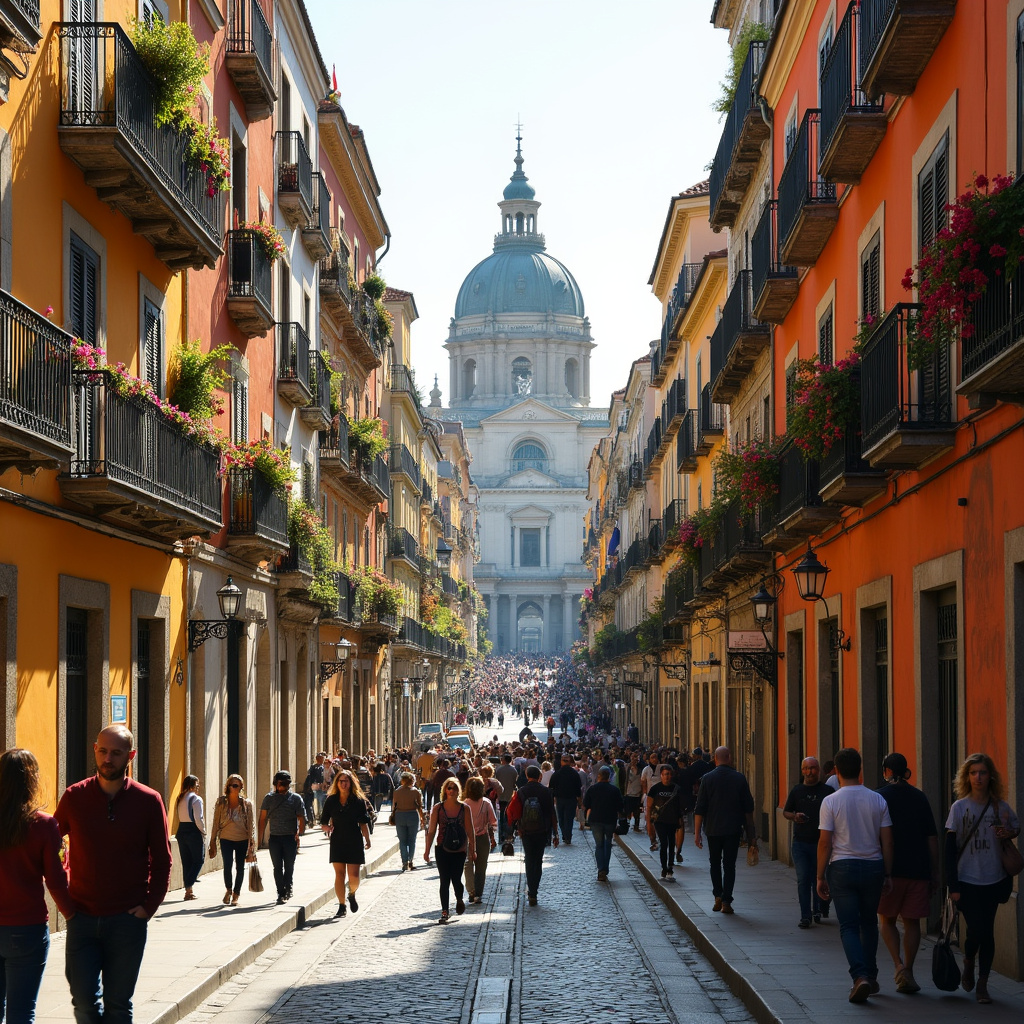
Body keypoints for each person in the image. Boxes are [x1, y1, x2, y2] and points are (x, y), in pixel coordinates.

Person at [55, 725, 171, 1024]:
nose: (108, 759)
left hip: (127, 921)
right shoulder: (74, 797)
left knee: (119, 1005)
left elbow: (162, 860)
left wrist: (148, 907)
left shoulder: (148, 800)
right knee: (83, 1002)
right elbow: (49, 845)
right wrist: (66, 903)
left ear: (130, 756)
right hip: (81, 918)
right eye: (103, 751)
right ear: (95, 749)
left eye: (116, 753)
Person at [0, 748, 76, 1024]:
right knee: (21, 1012)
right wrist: (72, 915)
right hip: (26, 928)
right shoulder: (43, 825)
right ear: (31, 779)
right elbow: (56, 880)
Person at [815, 747, 893, 1004]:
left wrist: (819, 876)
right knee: (869, 922)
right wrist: (888, 873)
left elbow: (825, 842)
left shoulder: (831, 801)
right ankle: (870, 975)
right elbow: (887, 840)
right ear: (860, 770)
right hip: (872, 866)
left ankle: (859, 976)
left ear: (836, 772)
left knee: (848, 926)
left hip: (842, 867)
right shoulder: (877, 799)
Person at [945, 752, 1021, 1004]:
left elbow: (1015, 827)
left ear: (990, 776)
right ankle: (968, 961)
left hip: (994, 879)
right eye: (973, 772)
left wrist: (1008, 831)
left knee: (986, 932)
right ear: (967, 777)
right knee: (976, 931)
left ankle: (982, 984)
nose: (978, 777)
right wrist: (952, 885)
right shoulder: (959, 808)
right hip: (967, 880)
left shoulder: (1000, 807)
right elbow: (949, 849)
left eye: (983, 772)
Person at [875, 752, 938, 994]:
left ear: (885, 771)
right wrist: (935, 871)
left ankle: (898, 965)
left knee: (887, 920)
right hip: (918, 869)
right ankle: (909, 969)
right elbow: (931, 837)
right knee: (913, 922)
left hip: (890, 870)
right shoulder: (920, 797)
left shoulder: (879, 796)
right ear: (906, 770)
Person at [693, 746, 756, 914]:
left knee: (714, 863)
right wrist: (752, 837)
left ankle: (717, 895)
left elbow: (699, 808)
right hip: (732, 829)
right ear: (729, 757)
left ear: (715, 759)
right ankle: (727, 900)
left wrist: (697, 833)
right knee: (729, 865)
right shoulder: (739, 778)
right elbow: (748, 808)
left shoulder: (707, 779)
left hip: (713, 829)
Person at [782, 756, 832, 928]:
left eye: (813, 768)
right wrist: (794, 816)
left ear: (819, 770)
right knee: (803, 879)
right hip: (801, 843)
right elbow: (786, 812)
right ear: (802, 770)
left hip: (822, 843)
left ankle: (819, 908)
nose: (810, 772)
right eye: (807, 768)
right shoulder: (797, 791)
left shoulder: (828, 791)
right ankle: (805, 915)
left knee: (820, 878)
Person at [423, 778, 475, 923]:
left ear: (459, 790)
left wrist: (473, 849)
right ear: (445, 790)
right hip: (442, 848)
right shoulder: (438, 808)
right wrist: (427, 850)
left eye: (454, 788)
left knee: (456, 879)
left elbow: (470, 831)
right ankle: (444, 911)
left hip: (459, 850)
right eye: (449, 788)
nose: (452, 791)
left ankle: (459, 898)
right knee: (444, 880)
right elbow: (432, 830)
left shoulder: (465, 808)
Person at [320, 769, 371, 917]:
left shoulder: (358, 801)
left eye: (346, 781)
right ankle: (341, 905)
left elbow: (363, 823)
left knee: (354, 876)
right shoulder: (331, 800)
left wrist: (367, 839)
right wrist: (326, 827)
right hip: (337, 840)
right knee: (339, 875)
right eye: (341, 781)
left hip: (354, 839)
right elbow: (323, 820)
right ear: (337, 783)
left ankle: (352, 893)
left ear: (351, 783)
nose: (343, 784)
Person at [509, 764, 558, 905]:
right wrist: (555, 833)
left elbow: (515, 812)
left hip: (526, 831)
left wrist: (515, 829)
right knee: (538, 860)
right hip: (542, 830)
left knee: (529, 860)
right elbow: (551, 813)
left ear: (526, 775)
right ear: (540, 777)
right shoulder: (546, 791)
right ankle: (535, 888)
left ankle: (532, 892)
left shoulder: (521, 791)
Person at [258, 770, 306, 905]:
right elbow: (263, 819)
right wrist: (259, 839)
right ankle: (281, 892)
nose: (283, 786)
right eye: (280, 783)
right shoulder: (269, 798)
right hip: (275, 838)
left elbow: (301, 817)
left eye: (286, 784)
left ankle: (288, 886)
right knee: (277, 866)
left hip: (290, 837)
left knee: (289, 864)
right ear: (275, 783)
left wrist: (299, 833)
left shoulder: (295, 798)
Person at [208, 773, 255, 906]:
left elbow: (251, 825)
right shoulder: (221, 802)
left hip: (242, 839)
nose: (235, 788)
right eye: (232, 785)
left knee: (240, 867)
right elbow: (216, 822)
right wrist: (212, 841)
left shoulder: (247, 804)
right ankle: (228, 889)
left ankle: (236, 894)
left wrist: (252, 844)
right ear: (228, 786)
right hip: (225, 839)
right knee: (227, 865)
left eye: (237, 786)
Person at [583, 764, 623, 882]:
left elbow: (586, 804)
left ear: (599, 776)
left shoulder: (592, 789)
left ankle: (601, 869)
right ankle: (605, 868)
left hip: (595, 820)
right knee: (607, 843)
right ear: (609, 777)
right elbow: (620, 806)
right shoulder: (614, 790)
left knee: (599, 845)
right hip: (610, 820)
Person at [463, 776, 498, 904]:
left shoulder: (464, 804)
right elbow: (494, 822)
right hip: (482, 838)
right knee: (481, 867)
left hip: (467, 838)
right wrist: (492, 834)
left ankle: (471, 891)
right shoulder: (486, 802)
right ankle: (478, 893)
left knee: (468, 865)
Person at [647, 766, 684, 880]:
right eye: (665, 774)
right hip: (660, 821)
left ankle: (670, 867)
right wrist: (649, 822)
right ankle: (664, 867)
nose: (667, 776)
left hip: (672, 820)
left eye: (669, 774)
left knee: (672, 843)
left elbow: (679, 805)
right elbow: (649, 806)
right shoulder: (655, 789)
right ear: (661, 775)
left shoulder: (676, 788)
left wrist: (680, 819)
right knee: (664, 843)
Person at [172, 775, 206, 901]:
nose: (198, 788)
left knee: (187, 862)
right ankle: (188, 884)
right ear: (191, 785)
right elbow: (199, 818)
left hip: (181, 831)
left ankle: (188, 892)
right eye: (197, 785)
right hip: (193, 831)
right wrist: (203, 831)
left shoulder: (180, 798)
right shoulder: (196, 799)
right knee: (198, 860)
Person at [392, 771, 426, 871]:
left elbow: (394, 806)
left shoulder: (397, 792)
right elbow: (420, 807)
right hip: (412, 816)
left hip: (400, 816)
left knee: (402, 841)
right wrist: (422, 819)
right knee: (412, 840)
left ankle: (404, 862)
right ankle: (410, 860)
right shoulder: (416, 792)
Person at [548, 753, 583, 844]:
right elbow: (578, 788)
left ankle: (565, 834)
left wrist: (553, 799)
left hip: (560, 799)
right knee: (569, 818)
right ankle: (567, 835)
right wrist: (579, 800)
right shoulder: (575, 773)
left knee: (561, 818)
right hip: (571, 799)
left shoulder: (557, 773)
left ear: (561, 762)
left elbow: (551, 787)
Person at [494, 753, 518, 842]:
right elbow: (514, 782)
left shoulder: (499, 770)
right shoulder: (514, 770)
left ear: (503, 760)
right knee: (509, 815)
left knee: (501, 815)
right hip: (510, 795)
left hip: (501, 795)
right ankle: (509, 834)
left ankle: (501, 836)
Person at [301, 752, 327, 823]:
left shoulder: (325, 767)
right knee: (315, 802)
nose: (321, 760)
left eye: (322, 758)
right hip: (314, 786)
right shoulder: (314, 767)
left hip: (322, 787)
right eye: (320, 758)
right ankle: (315, 817)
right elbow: (310, 776)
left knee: (322, 802)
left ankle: (320, 817)